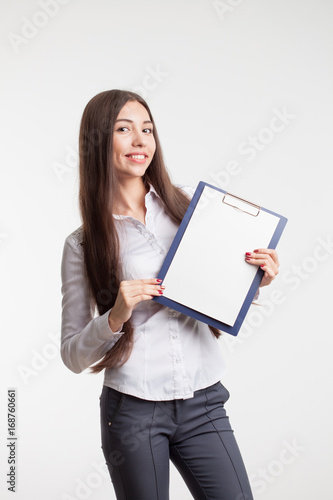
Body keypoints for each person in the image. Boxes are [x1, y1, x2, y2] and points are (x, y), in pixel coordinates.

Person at [60, 89, 279, 500]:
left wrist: (255, 281)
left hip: (203, 401)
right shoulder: (83, 244)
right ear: (97, 141)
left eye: (147, 129)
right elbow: (72, 354)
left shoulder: (191, 209)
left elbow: (215, 292)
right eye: (124, 129)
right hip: (133, 411)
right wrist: (115, 316)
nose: (140, 140)